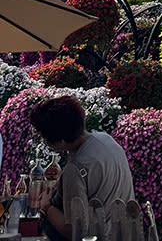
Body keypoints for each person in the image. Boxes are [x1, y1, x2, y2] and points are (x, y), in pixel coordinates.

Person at [29, 95, 134, 241]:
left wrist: (47, 207)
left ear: (60, 140)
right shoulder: (106, 140)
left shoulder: (76, 168)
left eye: (44, 137)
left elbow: (75, 230)